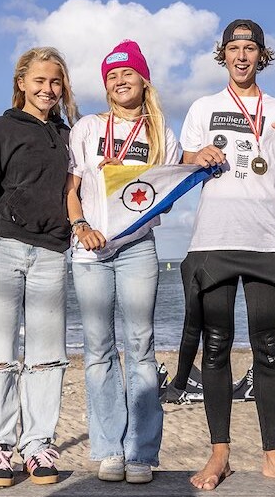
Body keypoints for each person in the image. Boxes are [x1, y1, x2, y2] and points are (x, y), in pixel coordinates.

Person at [176, 19, 275, 491]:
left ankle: (274, 456)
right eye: (234, 48)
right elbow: (178, 161)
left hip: (267, 243)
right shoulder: (204, 107)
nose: (242, 55)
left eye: (250, 48)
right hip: (213, 241)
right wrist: (194, 156)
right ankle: (219, 455)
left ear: (261, 56)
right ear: (222, 55)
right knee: (217, 346)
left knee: (268, 348)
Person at [0, 46, 79, 488]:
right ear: (22, 82)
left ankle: (39, 443)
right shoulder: (0, 129)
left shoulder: (69, 135)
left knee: (48, 356)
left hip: (51, 252)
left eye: (56, 82)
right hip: (2, 248)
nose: (48, 89)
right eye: (40, 81)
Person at [64, 39, 180, 484]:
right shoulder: (88, 128)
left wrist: (131, 181)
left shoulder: (161, 136)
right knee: (97, 349)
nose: (119, 79)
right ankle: (110, 449)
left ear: (143, 78)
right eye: (111, 75)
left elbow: (164, 200)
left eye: (127, 72)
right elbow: (71, 191)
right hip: (89, 249)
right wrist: (81, 227)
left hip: (137, 249)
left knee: (141, 347)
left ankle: (141, 453)